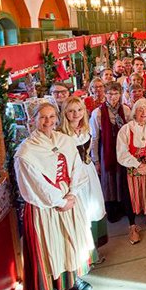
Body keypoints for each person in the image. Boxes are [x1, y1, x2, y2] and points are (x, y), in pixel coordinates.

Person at [16, 103, 94, 290]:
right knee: (50, 245)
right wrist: (60, 201)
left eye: (51, 116)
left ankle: (70, 279)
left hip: (68, 197)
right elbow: (34, 184)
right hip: (44, 204)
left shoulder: (64, 141)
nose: (48, 121)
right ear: (33, 119)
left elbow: (77, 168)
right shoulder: (26, 150)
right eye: (43, 117)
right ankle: (52, 288)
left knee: (69, 240)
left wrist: (72, 193)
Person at [58, 97, 107, 255]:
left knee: (93, 206)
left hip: (88, 170)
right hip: (73, 176)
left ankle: (94, 249)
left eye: (79, 110)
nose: (76, 114)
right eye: (71, 111)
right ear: (65, 113)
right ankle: (84, 253)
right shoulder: (60, 134)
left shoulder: (86, 128)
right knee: (81, 210)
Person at [116, 99, 146, 245]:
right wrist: (138, 165)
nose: (144, 113)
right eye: (140, 110)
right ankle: (132, 225)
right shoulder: (126, 129)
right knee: (131, 195)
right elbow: (122, 152)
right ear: (134, 112)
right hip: (132, 168)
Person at [89, 82, 131, 223]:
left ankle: (123, 206)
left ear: (120, 94)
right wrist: (96, 160)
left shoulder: (125, 110)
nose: (113, 97)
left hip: (123, 149)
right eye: (109, 93)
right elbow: (95, 138)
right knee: (109, 179)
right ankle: (112, 209)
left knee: (122, 177)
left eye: (116, 93)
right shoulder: (98, 113)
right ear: (105, 95)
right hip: (106, 150)